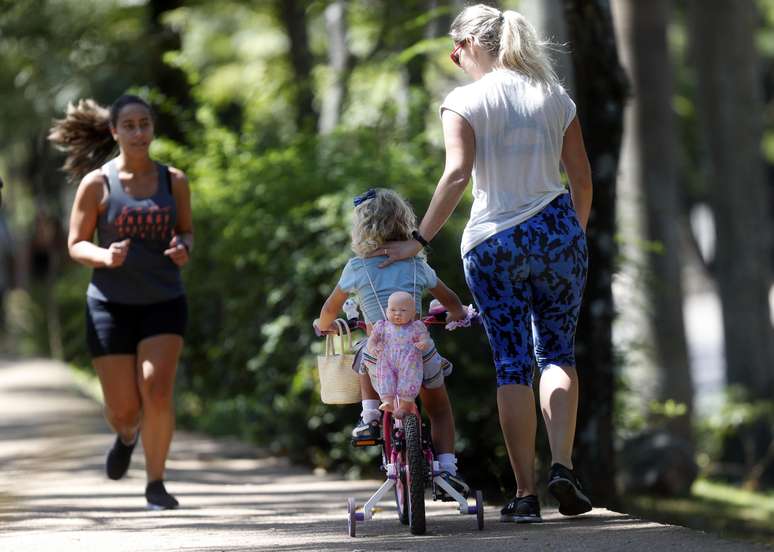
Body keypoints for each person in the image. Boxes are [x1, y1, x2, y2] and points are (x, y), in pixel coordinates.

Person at [378, 4, 594, 523]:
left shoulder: (464, 101)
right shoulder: (554, 96)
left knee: (513, 363)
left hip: (494, 242)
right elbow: (582, 180)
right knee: (558, 353)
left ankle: (525, 494)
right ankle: (562, 465)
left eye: (456, 51)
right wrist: (572, 237)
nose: (456, 60)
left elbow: (457, 175)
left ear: (472, 43)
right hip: (558, 234)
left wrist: (418, 238)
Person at [49, 95, 193, 510]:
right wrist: (105, 256)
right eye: (128, 125)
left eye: (144, 123)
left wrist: (183, 247)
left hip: (164, 298)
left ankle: (156, 484)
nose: (138, 132)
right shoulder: (97, 183)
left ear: (152, 128)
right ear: (114, 132)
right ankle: (127, 435)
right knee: (125, 410)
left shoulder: (174, 181)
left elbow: (186, 231)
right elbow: (76, 244)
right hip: (110, 304)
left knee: (157, 387)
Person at [314, 187, 470, 495]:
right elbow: (451, 299)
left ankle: (370, 416)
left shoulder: (357, 268)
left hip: (381, 354)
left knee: (365, 355)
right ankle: (447, 470)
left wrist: (324, 324)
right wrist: (456, 313)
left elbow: (330, 309)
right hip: (417, 351)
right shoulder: (416, 265)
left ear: (361, 228)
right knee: (439, 410)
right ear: (404, 223)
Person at [367, 291, 433, 417]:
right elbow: (372, 339)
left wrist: (424, 342)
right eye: (393, 310)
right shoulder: (382, 326)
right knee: (385, 378)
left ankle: (405, 406)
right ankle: (388, 401)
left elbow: (425, 337)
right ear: (386, 311)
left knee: (409, 380)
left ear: (413, 313)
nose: (397, 313)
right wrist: (373, 347)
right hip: (387, 359)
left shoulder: (416, 326)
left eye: (403, 310)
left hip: (408, 360)